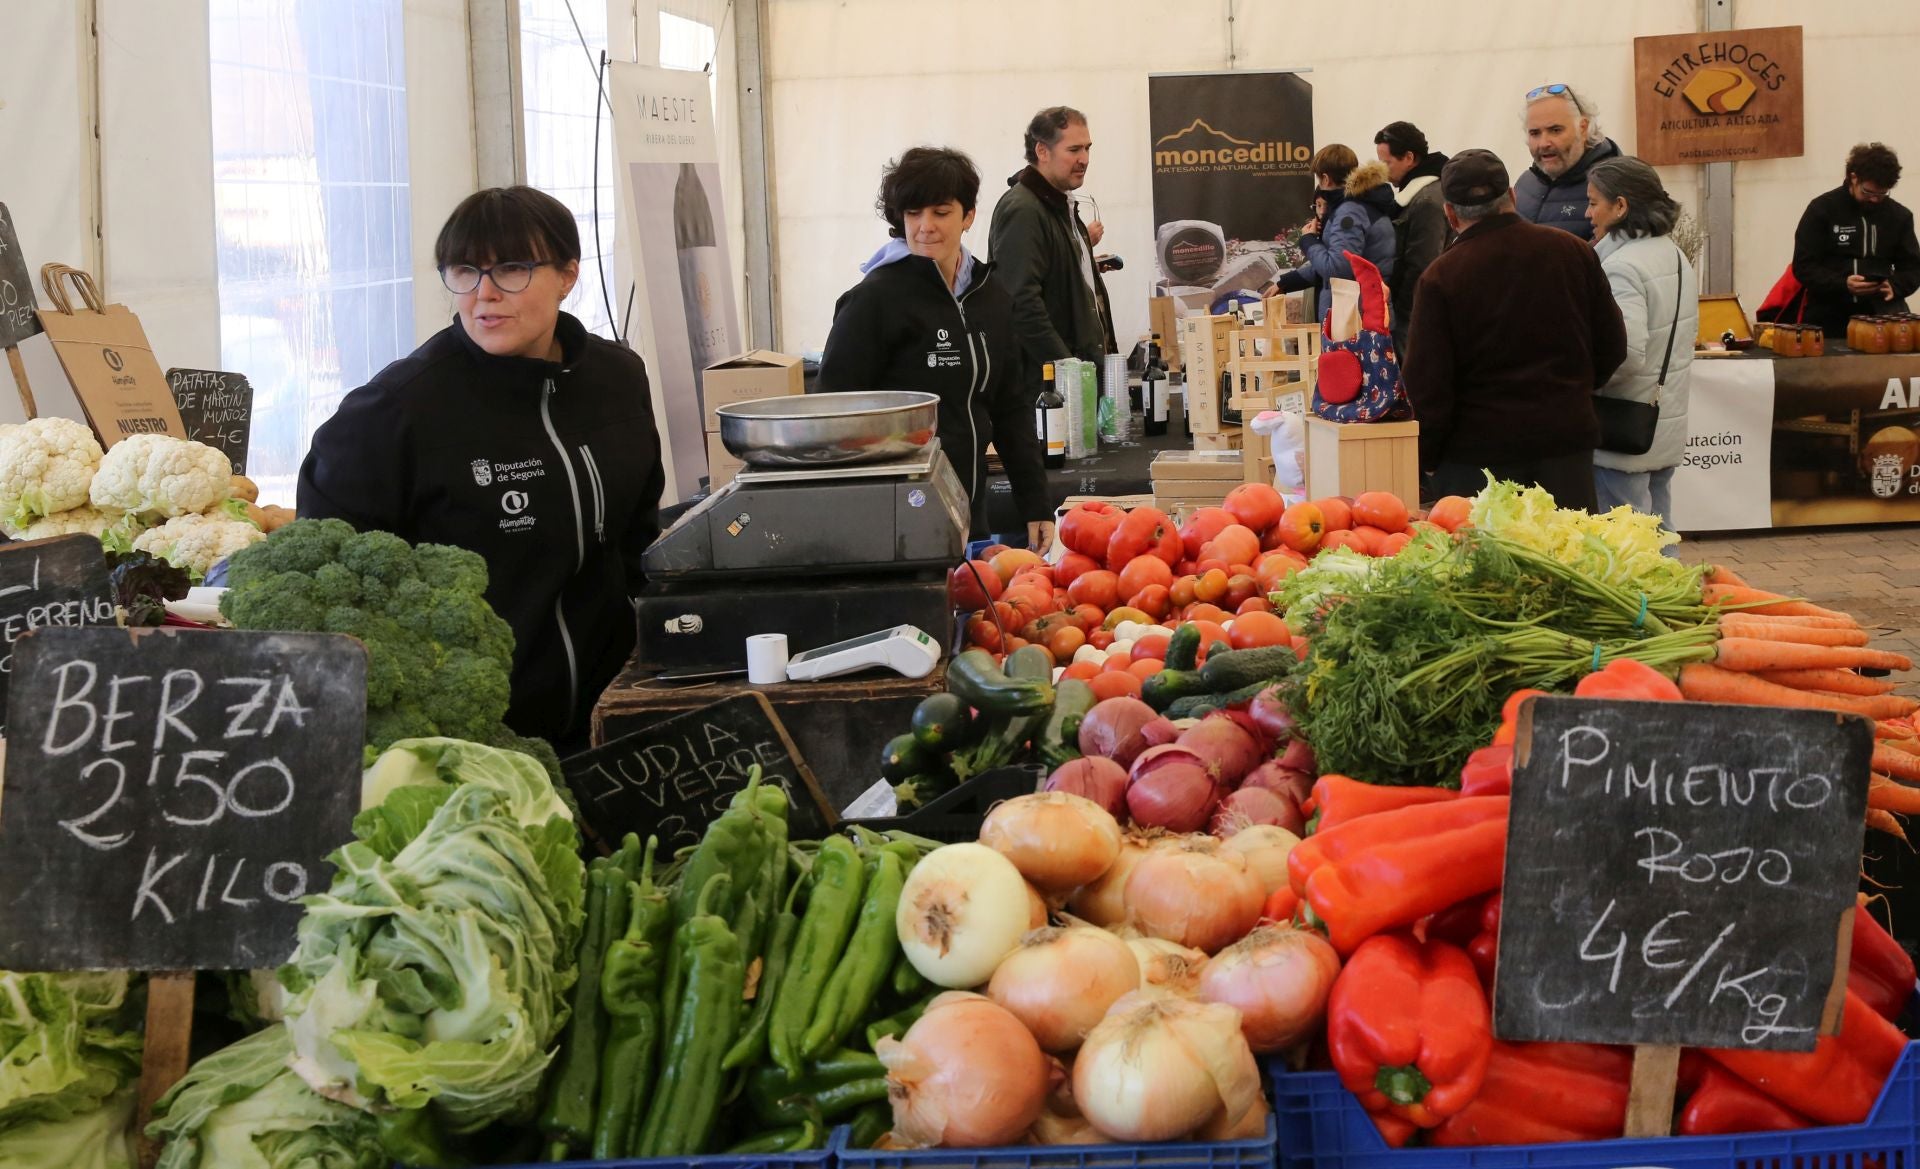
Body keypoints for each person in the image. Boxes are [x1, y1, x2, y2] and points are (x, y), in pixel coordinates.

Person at [299, 186, 665, 754]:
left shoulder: (616, 379)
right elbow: (332, 589)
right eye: (465, 271)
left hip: (613, 720)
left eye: (513, 270)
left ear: (568, 275)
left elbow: (637, 539)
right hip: (472, 742)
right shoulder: (395, 411)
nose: (484, 295)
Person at [817, 147, 1052, 549]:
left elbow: (1010, 407)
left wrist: (1035, 503)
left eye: (940, 212)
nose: (925, 226)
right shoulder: (874, 299)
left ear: (968, 217)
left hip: (969, 512)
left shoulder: (989, 295)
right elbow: (834, 414)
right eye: (913, 213)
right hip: (895, 521)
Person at [1402, 150, 1627, 511]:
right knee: (1566, 559)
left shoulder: (1441, 277)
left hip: (1476, 457)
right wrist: (1571, 393)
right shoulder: (1573, 251)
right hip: (1564, 444)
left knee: (1490, 564)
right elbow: (1612, 345)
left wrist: (1425, 456)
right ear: (1511, 196)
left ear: (1450, 213)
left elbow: (1428, 385)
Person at [1585, 157, 1698, 531]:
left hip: (1623, 425)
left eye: (1594, 202)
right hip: (1660, 418)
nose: (1588, 213)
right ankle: (1671, 589)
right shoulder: (1674, 255)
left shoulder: (1622, 267)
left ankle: (1643, 594)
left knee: (1625, 541)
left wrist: (1585, 386)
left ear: (1621, 206)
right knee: (1659, 528)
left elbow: (1626, 357)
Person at [990, 107, 1111, 395]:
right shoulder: (1024, 209)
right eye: (1074, 149)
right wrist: (1068, 369)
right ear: (1042, 151)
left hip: (1071, 380)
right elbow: (1020, 302)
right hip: (1047, 391)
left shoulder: (1060, 206)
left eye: (1087, 148)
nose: (1084, 159)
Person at [1789, 142, 1920, 339]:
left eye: (1882, 193)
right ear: (1853, 178)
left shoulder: (1899, 216)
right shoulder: (1822, 209)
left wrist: (1896, 286)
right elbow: (1803, 265)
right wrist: (1842, 284)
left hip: (1883, 318)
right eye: (1868, 192)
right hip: (1827, 318)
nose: (1875, 199)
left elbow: (1913, 267)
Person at [1274, 145, 1398, 294]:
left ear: (1326, 179)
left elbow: (1336, 270)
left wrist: (1308, 240)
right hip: (1363, 306)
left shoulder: (1350, 212)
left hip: (1357, 311)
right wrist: (1286, 282)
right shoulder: (1359, 204)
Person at [1374, 121, 1451, 356]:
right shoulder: (1418, 195)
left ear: (1408, 157)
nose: (1383, 172)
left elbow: (1423, 265)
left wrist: (1403, 315)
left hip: (1415, 315)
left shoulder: (1427, 201)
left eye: (1387, 163)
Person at [1514, 84, 1621, 241]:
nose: (1543, 143)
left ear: (1583, 128)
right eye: (1535, 133)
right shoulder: (1525, 183)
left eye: (1555, 130)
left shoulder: (1612, 188)